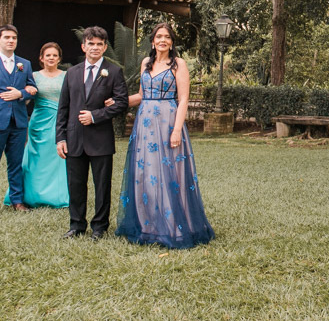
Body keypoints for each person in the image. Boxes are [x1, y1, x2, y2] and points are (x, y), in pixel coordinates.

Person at [116, 22, 215, 249]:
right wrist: (117, 102)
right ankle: (149, 225)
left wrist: (177, 129)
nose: (163, 40)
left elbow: (183, 99)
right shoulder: (146, 63)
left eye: (167, 37)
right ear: (153, 41)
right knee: (146, 172)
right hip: (145, 124)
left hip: (168, 121)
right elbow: (141, 95)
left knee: (172, 173)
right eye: (159, 36)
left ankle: (175, 225)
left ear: (172, 42)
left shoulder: (178, 64)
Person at [56, 26, 127, 239]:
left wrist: (96, 115)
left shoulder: (113, 72)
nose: (94, 48)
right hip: (74, 138)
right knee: (75, 185)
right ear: (83, 46)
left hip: (100, 139)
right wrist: (60, 137)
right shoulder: (72, 72)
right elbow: (63, 107)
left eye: (99, 44)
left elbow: (122, 102)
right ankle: (76, 225)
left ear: (105, 47)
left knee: (102, 185)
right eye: (91, 43)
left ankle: (99, 227)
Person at [0, 24, 37, 216]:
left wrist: (19, 94)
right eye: (7, 37)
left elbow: (32, 89)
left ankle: (17, 200)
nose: (11, 41)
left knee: (16, 164)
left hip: (18, 123)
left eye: (14, 38)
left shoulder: (24, 64)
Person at [5, 42, 69, 208]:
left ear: (59, 58)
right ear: (41, 58)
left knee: (57, 157)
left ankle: (56, 195)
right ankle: (31, 194)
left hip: (59, 120)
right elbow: (24, 97)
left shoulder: (66, 75)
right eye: (48, 55)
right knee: (36, 157)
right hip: (39, 121)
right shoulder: (33, 76)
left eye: (55, 55)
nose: (51, 58)